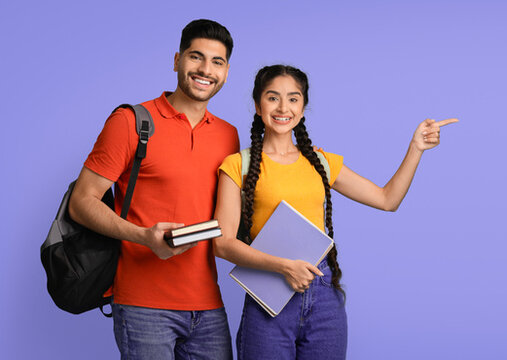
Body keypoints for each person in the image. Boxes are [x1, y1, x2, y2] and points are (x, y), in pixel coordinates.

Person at [212, 64, 457, 359]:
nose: (283, 107)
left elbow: (387, 199)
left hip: (323, 294)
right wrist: (284, 266)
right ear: (257, 104)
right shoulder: (238, 165)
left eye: (293, 98)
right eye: (272, 97)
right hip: (269, 298)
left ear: (303, 108)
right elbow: (222, 244)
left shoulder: (320, 162)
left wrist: (415, 148)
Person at [68, 19, 238, 359]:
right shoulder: (131, 122)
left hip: (208, 306)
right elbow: (81, 203)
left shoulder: (228, 135)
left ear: (226, 71)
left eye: (217, 62)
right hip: (143, 305)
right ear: (177, 61)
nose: (205, 69)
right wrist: (145, 236)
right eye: (196, 57)